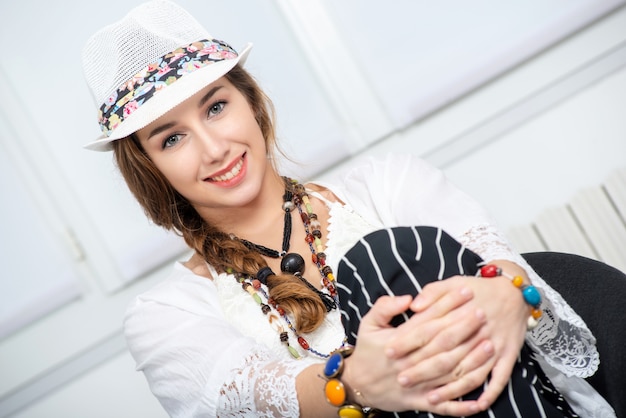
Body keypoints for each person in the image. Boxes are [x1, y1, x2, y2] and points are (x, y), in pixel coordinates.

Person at [81, 1, 615, 417]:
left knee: (390, 254)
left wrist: (507, 295)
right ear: (149, 168)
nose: (214, 148)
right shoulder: (166, 315)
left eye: (216, 107)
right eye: (171, 139)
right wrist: (359, 381)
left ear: (251, 101)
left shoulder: (392, 183)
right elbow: (264, 400)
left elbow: (505, 267)